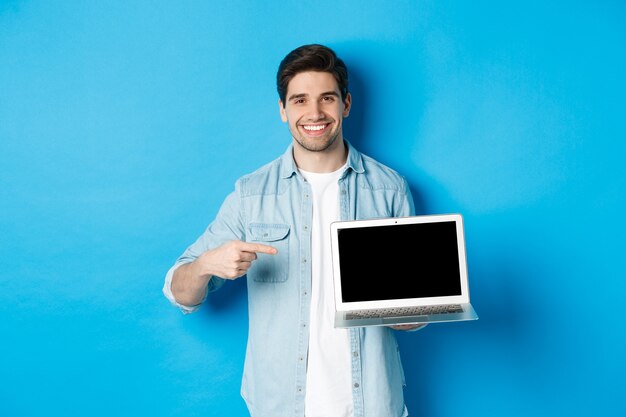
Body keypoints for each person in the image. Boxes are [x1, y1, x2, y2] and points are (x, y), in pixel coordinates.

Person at [163, 43, 426, 417]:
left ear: (346, 105)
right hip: (279, 406)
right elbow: (179, 293)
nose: (315, 113)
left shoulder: (390, 190)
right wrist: (206, 264)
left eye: (327, 99)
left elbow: (415, 313)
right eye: (300, 100)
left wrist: (410, 312)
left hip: (373, 403)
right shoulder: (251, 194)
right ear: (283, 110)